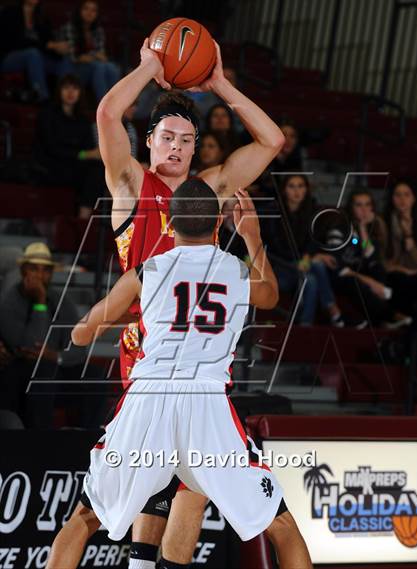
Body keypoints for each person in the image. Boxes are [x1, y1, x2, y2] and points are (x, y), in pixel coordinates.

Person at [47, 37, 286, 569]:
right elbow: (109, 111)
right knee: (163, 489)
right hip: (147, 361)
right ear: (149, 141)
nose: (176, 146)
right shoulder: (132, 182)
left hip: (200, 358)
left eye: (186, 139)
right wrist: (149, 67)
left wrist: (220, 83)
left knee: (190, 490)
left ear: (196, 149)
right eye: (167, 136)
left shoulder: (211, 188)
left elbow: (271, 140)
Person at [71, 182, 313, 569]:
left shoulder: (146, 272)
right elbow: (271, 295)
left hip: (149, 398)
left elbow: (81, 334)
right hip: (206, 402)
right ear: (219, 222)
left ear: (170, 223)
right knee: (281, 526)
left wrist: (141, 316)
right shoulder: (235, 270)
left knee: (84, 519)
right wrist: (252, 237)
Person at [0, 242, 86, 428]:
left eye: (45, 270)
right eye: (34, 269)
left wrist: (55, 355)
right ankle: (37, 440)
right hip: (18, 371)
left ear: (51, 273)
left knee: (96, 377)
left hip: (54, 369)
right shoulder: (9, 301)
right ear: (23, 270)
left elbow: (79, 349)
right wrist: (40, 302)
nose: (39, 275)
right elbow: (33, 344)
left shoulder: (63, 302)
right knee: (41, 373)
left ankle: (92, 438)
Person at [264, 174, 343, 326]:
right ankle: (331, 307)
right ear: (284, 190)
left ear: (306, 189)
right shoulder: (273, 211)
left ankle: (306, 324)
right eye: (291, 186)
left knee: (311, 280)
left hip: (301, 268)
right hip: (279, 268)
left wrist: (308, 257)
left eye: (301, 186)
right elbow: (275, 247)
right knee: (317, 267)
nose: (297, 191)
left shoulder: (312, 211)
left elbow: (313, 241)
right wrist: (306, 259)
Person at [328, 190, 411, 329]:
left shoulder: (365, 231)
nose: (364, 210)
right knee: (355, 281)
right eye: (359, 205)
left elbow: (369, 255)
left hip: (359, 272)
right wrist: (371, 282)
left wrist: (362, 228)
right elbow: (340, 268)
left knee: (381, 269)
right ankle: (389, 316)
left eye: (368, 205)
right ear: (351, 208)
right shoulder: (338, 231)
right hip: (340, 276)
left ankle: (393, 317)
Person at [33, 74, 105, 218]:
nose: (71, 93)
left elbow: (89, 147)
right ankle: (82, 219)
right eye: (66, 88)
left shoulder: (83, 119)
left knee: (99, 170)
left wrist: (92, 154)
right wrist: (85, 154)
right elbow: (51, 148)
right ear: (59, 91)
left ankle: (83, 218)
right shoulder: (47, 114)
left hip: (73, 165)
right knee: (93, 173)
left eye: (75, 89)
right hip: (50, 165)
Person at [0, 0, 72, 101]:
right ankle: (43, 97)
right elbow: (13, 42)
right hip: (8, 57)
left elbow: (48, 41)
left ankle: (63, 101)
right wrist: (48, 45)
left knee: (63, 61)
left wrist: (57, 48)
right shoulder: (10, 12)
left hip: (38, 57)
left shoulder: (41, 16)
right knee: (33, 54)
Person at [59, 0, 119, 102]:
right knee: (99, 66)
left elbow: (102, 56)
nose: (89, 13)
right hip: (74, 69)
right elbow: (75, 57)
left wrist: (90, 56)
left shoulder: (98, 30)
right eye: (86, 8)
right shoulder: (70, 28)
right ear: (79, 10)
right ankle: (104, 105)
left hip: (92, 66)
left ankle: (116, 103)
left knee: (112, 67)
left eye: (93, 10)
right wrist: (94, 55)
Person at [384, 180, 417, 318]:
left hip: (415, 273)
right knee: (401, 279)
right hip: (394, 274)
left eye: (406, 195)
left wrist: (409, 235)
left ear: (414, 198)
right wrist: (404, 270)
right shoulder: (383, 223)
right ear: (392, 198)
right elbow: (379, 258)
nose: (402, 199)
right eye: (397, 195)